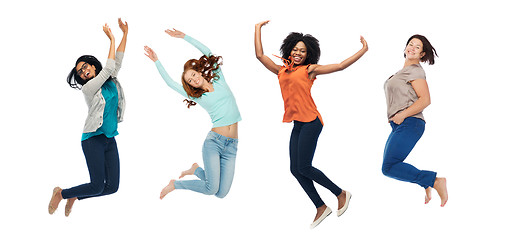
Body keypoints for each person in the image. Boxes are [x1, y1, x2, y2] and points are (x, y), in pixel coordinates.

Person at [254, 20, 368, 228]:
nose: (298, 53)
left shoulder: (309, 70)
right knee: (295, 169)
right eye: (296, 50)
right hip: (298, 124)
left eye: (303, 51)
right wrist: (257, 28)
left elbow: (340, 66)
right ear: (289, 51)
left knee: (304, 166)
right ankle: (320, 207)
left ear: (308, 55)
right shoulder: (281, 71)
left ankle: (341, 193)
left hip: (312, 122)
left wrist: (364, 49)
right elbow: (260, 56)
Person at [144, 28, 241, 199]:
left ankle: (195, 169)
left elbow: (209, 53)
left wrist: (184, 37)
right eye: (190, 80)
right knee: (211, 188)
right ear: (191, 86)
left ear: (200, 72)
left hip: (232, 145)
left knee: (221, 193)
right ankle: (175, 184)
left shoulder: (218, 79)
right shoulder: (199, 96)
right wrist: (156, 61)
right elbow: (170, 83)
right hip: (214, 143)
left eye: (194, 75)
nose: (194, 80)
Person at [48, 18, 128, 217]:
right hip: (92, 139)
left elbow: (116, 61)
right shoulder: (89, 88)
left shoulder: (110, 79)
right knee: (96, 185)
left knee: (111, 188)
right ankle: (61, 193)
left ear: (93, 65)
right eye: (80, 72)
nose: (84, 72)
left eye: (85, 67)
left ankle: (75, 196)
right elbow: (109, 67)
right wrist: (111, 38)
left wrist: (125, 34)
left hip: (109, 138)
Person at [382, 34, 448, 207]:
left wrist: (402, 115)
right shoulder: (402, 72)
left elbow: (425, 99)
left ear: (422, 54)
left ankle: (434, 181)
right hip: (400, 125)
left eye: (417, 47)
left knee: (388, 167)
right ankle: (425, 182)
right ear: (405, 48)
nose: (412, 47)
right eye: (410, 44)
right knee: (390, 165)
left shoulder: (416, 70)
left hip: (410, 123)